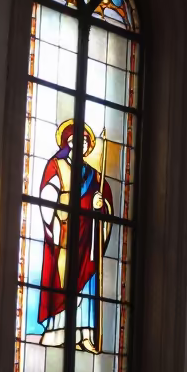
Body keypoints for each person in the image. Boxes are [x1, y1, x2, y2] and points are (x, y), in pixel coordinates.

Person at [37, 120, 113, 353]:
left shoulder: (94, 175)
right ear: (67, 143)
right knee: (63, 280)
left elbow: (104, 203)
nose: (78, 145)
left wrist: (101, 205)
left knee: (87, 284)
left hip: (87, 237)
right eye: (73, 141)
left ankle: (85, 334)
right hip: (65, 233)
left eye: (83, 142)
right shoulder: (56, 166)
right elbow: (47, 196)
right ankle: (58, 331)